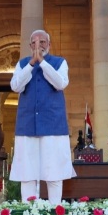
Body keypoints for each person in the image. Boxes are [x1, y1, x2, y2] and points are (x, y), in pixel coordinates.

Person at [9, 29, 75, 204]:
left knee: (54, 172)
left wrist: (43, 63)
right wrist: (32, 64)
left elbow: (60, 83)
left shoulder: (60, 62)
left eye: (43, 42)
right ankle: (28, 211)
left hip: (53, 125)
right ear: (30, 46)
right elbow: (16, 86)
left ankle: (55, 209)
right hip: (27, 125)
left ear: (49, 44)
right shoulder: (22, 64)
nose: (39, 45)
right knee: (27, 172)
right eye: (35, 42)